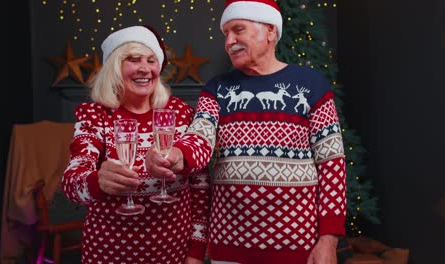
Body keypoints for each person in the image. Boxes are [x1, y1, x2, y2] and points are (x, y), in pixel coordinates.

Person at [145, 0, 347, 263]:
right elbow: (200, 136)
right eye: (225, 34)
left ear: (271, 31)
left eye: (238, 29)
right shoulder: (217, 88)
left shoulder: (312, 85)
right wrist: (177, 154)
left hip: (297, 248)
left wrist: (328, 240)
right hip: (228, 247)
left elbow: (332, 165)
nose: (229, 41)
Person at [61, 25, 210, 264]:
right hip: (108, 252)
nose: (145, 68)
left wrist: (196, 252)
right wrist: (96, 181)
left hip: (173, 252)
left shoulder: (179, 113)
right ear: (114, 68)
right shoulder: (95, 116)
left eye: (151, 60)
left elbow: (201, 188)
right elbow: (71, 183)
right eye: (133, 59)